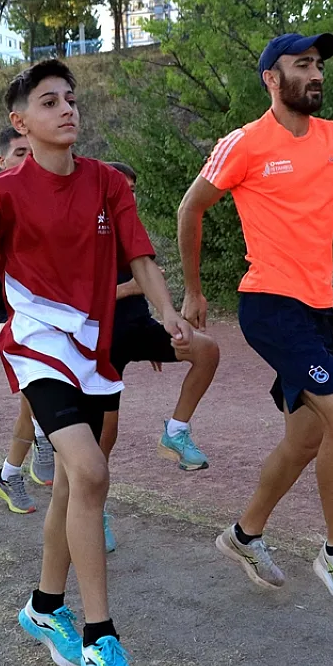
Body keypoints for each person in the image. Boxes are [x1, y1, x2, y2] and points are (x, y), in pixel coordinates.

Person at [0, 60, 191, 666]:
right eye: (50, 102)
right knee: (89, 468)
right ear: (21, 122)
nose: (67, 109)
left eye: (71, 99)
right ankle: (101, 639)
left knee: (78, 485)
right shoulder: (0, 194)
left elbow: (142, 257)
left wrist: (167, 313)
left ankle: (46, 607)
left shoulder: (107, 182)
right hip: (35, 347)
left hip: (94, 346)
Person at [177, 32, 333, 611]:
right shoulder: (243, 143)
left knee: (307, 436)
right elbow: (189, 206)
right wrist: (193, 291)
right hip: (269, 304)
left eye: (319, 65)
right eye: (303, 64)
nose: (315, 74)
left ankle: (243, 535)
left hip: (317, 311)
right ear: (272, 77)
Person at [102, 161, 220, 472]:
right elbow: (79, 300)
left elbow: (148, 282)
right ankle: (89, 512)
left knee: (206, 350)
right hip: (102, 343)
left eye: (133, 191)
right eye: (122, 190)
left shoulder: (133, 230)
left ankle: (176, 432)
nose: (130, 197)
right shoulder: (87, 235)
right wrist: (131, 287)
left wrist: (156, 327)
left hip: (139, 330)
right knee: (104, 439)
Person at [0, 125, 51, 516]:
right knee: (35, 395)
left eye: (32, 152)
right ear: (2, 161)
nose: (29, 159)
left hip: (50, 315)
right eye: (20, 154)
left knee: (40, 397)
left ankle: (12, 470)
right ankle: (19, 464)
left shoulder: (48, 195)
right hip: (7, 315)